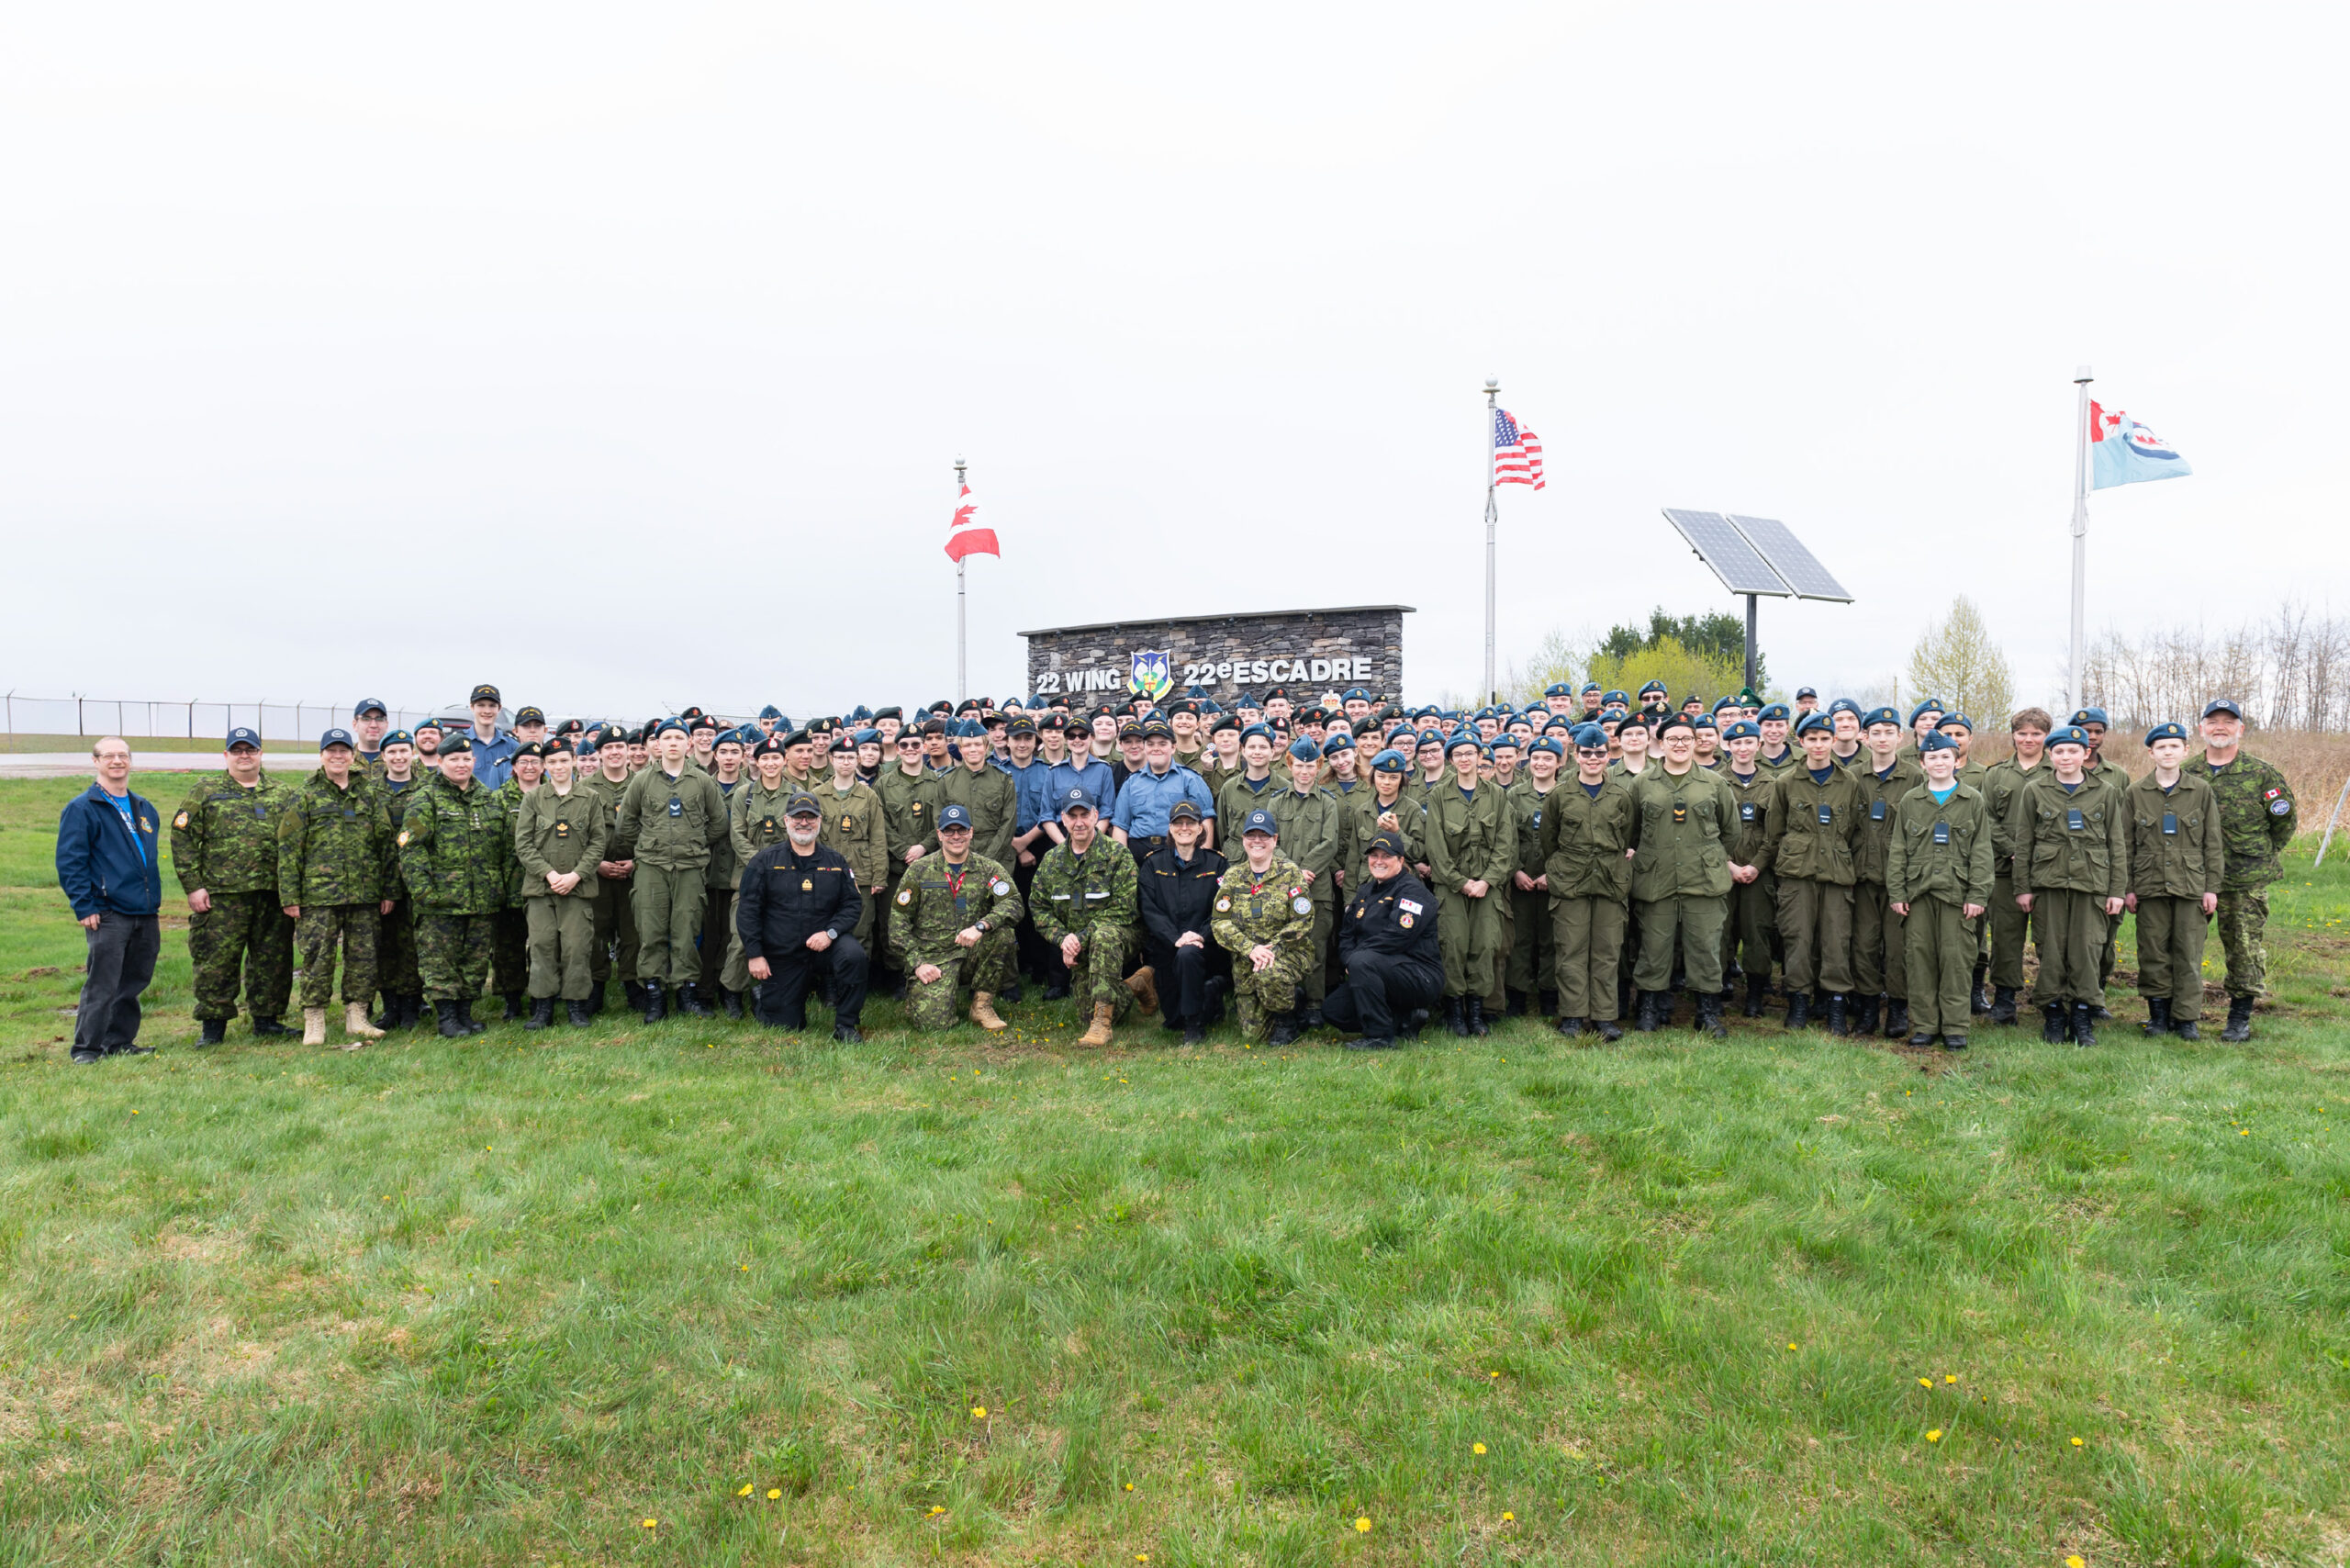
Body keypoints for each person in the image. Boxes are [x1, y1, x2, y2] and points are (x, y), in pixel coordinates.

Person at [171, 726, 298, 1045]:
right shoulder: (206, 790)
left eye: (250, 750)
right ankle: (213, 1027)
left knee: (273, 959)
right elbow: (182, 836)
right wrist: (193, 885)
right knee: (217, 960)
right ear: (226, 755)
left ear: (260, 754)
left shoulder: (283, 794)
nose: (245, 756)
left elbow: (299, 841)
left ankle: (267, 1020)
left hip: (272, 893)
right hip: (222, 895)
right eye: (238, 751)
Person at [276, 728, 396, 1047]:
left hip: (364, 893)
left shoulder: (368, 794)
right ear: (322, 756)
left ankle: (357, 1016)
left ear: (352, 755)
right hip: (318, 896)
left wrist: (388, 890)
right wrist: (290, 896)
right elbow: (289, 848)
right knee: (317, 958)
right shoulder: (305, 795)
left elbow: (385, 844)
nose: (338, 756)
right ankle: (314, 1019)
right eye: (332, 751)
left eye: (344, 751)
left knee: (363, 957)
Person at [2009, 724, 2128, 1046]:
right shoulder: (2035, 791)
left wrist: (2116, 891)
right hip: (2048, 883)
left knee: (2087, 949)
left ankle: (2081, 1013)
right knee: (2050, 949)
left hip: (2091, 884)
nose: (2066, 757)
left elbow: (2117, 844)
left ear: (2085, 753)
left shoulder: (2105, 792)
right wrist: (2023, 888)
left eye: (2073, 751)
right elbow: (2025, 842)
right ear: (2050, 755)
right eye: (2059, 751)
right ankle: (2052, 1013)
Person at [397, 735, 521, 1037]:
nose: (461, 764)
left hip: (483, 899)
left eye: (466, 759)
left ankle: (465, 1013)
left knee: (475, 960)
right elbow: (410, 847)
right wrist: (424, 892)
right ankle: (447, 1018)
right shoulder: (426, 799)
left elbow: (506, 849)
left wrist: (503, 889)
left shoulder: (490, 800)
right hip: (441, 900)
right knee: (440, 959)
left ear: (474, 762)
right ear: (440, 762)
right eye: (453, 759)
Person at [2193, 698, 2296, 1041]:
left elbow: (2283, 822)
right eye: (2213, 721)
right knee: (2184, 944)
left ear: (2240, 728)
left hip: (2244, 877)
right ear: (2202, 728)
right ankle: (2182, 1014)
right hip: (2194, 876)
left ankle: (2239, 1018)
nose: (2219, 727)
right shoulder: (2187, 772)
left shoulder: (2262, 773)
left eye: (2228, 721)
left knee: (2244, 946)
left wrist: (2258, 854)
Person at [56, 738, 164, 1063]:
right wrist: (84, 904)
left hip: (144, 909)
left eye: (123, 756)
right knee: (102, 983)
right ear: (95, 761)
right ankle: (86, 1049)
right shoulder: (82, 808)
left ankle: (118, 1041)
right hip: (108, 911)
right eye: (109, 756)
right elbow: (71, 861)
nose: (117, 761)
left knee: (133, 981)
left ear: (131, 761)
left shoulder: (144, 807)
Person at [1626, 715, 1736, 1036]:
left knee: (1705, 947)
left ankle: (1708, 1012)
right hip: (1655, 879)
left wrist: (1706, 856)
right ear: (1660, 743)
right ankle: (1648, 1008)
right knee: (1653, 947)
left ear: (1695, 742)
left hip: (1703, 880)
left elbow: (1730, 832)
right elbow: (1630, 831)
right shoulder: (1643, 783)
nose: (1679, 745)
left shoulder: (1714, 783)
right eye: (1672, 739)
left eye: (1686, 738)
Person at [1756, 712, 1863, 1032]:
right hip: (1796, 875)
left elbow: (1854, 832)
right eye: (1812, 739)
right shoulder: (1786, 782)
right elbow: (1774, 833)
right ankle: (1798, 1002)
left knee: (1836, 941)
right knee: (1797, 939)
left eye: (1824, 739)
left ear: (1834, 741)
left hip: (1836, 875)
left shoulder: (1849, 782)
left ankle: (1834, 1005)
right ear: (1801, 742)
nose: (1819, 745)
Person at [1885, 731, 1993, 1050]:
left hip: (1956, 896)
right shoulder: (1911, 801)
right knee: (1920, 961)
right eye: (1932, 757)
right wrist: (1897, 893)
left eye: (1946, 756)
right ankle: (1926, 1025)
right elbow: (1898, 849)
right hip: (1918, 895)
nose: (1939, 762)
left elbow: (1982, 851)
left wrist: (1977, 895)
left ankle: (1956, 1027)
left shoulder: (1971, 799)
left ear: (1957, 761)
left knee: (1956, 961)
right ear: (1922, 763)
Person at [619, 718, 731, 1021]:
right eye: (666, 737)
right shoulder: (642, 780)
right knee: (651, 930)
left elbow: (719, 821)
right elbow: (626, 823)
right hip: (651, 867)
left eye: (678, 738)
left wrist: (694, 842)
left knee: (687, 930)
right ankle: (654, 995)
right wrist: (647, 846)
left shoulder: (701, 781)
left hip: (690, 868)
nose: (672, 743)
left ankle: (686, 992)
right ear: (658, 744)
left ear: (688, 744)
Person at [737, 793, 869, 1039]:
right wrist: (755, 955)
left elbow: (852, 904)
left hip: (825, 946)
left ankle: (846, 1025)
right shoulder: (764, 862)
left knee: (854, 956)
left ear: (820, 821)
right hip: (784, 951)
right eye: (798, 817)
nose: (804, 823)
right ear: (786, 821)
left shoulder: (835, 861)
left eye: (811, 817)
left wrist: (830, 933)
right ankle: (763, 996)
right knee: (786, 1026)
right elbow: (748, 911)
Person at [1031, 787, 1153, 1046]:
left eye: (1084, 814)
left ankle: (1103, 1025)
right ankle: (1136, 985)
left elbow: (1125, 907)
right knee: (1086, 1012)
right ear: (1063, 819)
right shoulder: (1052, 861)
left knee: (1104, 935)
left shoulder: (1117, 855)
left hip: (1121, 935)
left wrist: (1081, 937)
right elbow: (1039, 907)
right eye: (1072, 816)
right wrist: (1064, 939)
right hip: (1078, 944)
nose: (1079, 822)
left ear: (1095, 815)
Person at [2126, 721, 2225, 1040]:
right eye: (2161, 747)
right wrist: (2127, 888)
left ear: (2185, 750)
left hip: (2190, 886)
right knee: (2153, 951)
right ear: (2151, 753)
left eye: (2174, 746)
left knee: (2188, 952)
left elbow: (2212, 842)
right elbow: (2125, 844)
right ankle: (2158, 1014)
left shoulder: (2200, 791)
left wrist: (2211, 888)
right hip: (2149, 885)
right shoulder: (2135, 792)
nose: (2168, 752)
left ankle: (2186, 1019)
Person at [890, 801, 1024, 1031]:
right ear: (939, 835)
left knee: (1002, 934)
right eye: (949, 831)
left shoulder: (988, 869)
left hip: (972, 951)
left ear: (971, 832)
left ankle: (981, 1005)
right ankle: (919, 997)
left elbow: (1013, 903)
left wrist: (982, 926)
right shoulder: (920, 870)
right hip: (934, 957)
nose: (956, 836)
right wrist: (917, 964)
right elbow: (897, 923)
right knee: (932, 1025)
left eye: (962, 830)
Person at [514, 739, 609, 1027]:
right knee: (542, 946)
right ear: (545, 766)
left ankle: (576, 1006)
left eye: (563, 760)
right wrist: (550, 874)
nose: (558, 767)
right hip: (542, 888)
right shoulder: (533, 799)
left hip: (577, 889)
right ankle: (542, 1007)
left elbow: (597, 842)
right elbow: (524, 844)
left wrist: (576, 875)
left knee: (577, 947)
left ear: (574, 762)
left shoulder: (590, 798)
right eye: (552, 762)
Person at [1424, 732, 1512, 1037]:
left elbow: (1505, 844)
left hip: (1487, 886)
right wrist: (1460, 882)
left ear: (1479, 756)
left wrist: (1487, 881)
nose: (1464, 759)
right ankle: (1454, 1014)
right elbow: (1435, 846)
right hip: (1451, 886)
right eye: (1458, 754)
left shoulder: (1497, 795)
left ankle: (1476, 1012)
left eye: (1469, 753)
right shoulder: (1438, 795)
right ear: (1451, 760)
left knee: (1485, 945)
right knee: (1454, 946)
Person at [1325, 828, 1444, 1050]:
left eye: (1386, 856)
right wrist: (1351, 958)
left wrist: (1357, 959)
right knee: (1333, 1011)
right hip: (1375, 971)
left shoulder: (1412, 891)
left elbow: (1398, 935)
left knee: (1363, 962)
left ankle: (1379, 1037)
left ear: (1400, 860)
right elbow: (1346, 934)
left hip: (1418, 974)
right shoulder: (1365, 891)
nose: (1379, 861)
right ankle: (1403, 1020)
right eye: (1374, 856)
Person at [1210, 809, 1316, 1045]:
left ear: (1275, 840)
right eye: (1251, 835)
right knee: (1253, 1035)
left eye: (1264, 835)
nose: (1257, 841)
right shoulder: (1233, 876)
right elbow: (1220, 922)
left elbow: (1303, 919)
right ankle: (1290, 998)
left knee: (1270, 973)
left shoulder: (1290, 873)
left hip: (1287, 952)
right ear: (1244, 839)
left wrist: (1272, 950)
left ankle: (1287, 1020)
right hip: (1248, 957)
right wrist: (1250, 949)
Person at [1849, 707, 1923, 1040]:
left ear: (1900, 737)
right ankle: (1866, 1010)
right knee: (1863, 945)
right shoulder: (1850, 776)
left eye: (1888, 732)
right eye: (1875, 732)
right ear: (1864, 737)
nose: (1882, 738)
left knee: (1898, 947)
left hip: (1900, 881)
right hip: (1860, 876)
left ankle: (1898, 1007)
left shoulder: (1915, 778)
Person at [1136, 800, 1229, 1041]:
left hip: (1205, 947)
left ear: (1200, 829)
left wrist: (1199, 935)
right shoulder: (1153, 864)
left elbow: (1223, 908)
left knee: (1188, 955)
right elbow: (1149, 909)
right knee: (1172, 1019)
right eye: (1179, 823)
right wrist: (1176, 938)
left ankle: (1194, 1026)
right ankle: (1211, 996)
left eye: (1191, 823)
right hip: (1167, 948)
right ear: (1170, 828)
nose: (1184, 828)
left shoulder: (1217, 863)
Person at [1982, 708, 2050, 1026]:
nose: (2028, 739)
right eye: (2022, 733)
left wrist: (2036, 855)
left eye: (2036, 734)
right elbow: (1987, 819)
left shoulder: (2057, 770)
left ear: (2046, 737)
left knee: (2050, 936)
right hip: (2004, 869)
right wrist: (2014, 851)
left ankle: (2051, 996)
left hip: (2048, 870)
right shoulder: (1996, 775)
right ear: (2013, 735)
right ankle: (2005, 999)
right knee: (2006, 938)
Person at [1716, 720, 1776, 1017]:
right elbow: (1708, 831)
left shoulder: (1772, 784)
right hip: (1720, 872)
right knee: (1720, 933)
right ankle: (1719, 988)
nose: (1742, 748)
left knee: (1757, 934)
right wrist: (1728, 865)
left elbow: (1774, 833)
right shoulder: (1714, 781)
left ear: (1758, 745)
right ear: (1727, 745)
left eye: (1748, 742)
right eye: (1736, 743)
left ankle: (1754, 995)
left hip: (1758, 875)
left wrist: (1755, 866)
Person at [584, 734, 643, 1014]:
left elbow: (651, 827)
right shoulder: (586, 787)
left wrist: (636, 860)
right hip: (598, 871)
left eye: (620, 746)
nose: (615, 752)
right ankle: (595, 988)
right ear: (599, 753)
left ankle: (633, 987)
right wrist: (595, 864)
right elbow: (577, 832)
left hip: (634, 870)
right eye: (609, 747)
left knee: (632, 933)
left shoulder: (641, 784)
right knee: (597, 931)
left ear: (628, 751)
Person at [464, 684, 520, 789]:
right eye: (481, 705)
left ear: (499, 708)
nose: (487, 711)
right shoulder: (458, 744)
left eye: (492, 705)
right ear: (472, 707)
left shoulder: (513, 747)